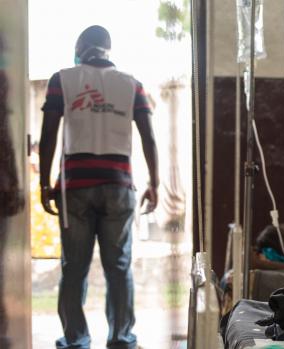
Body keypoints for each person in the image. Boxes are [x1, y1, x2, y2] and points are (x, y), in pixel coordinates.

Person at [39, 25, 158, 349]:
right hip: (119, 187)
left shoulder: (62, 79)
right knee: (119, 268)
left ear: (81, 48)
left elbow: (48, 134)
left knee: (73, 267)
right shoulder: (132, 85)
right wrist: (155, 183)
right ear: (108, 48)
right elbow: (148, 137)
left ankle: (76, 340)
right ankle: (121, 338)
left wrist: (44, 184)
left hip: (75, 187)